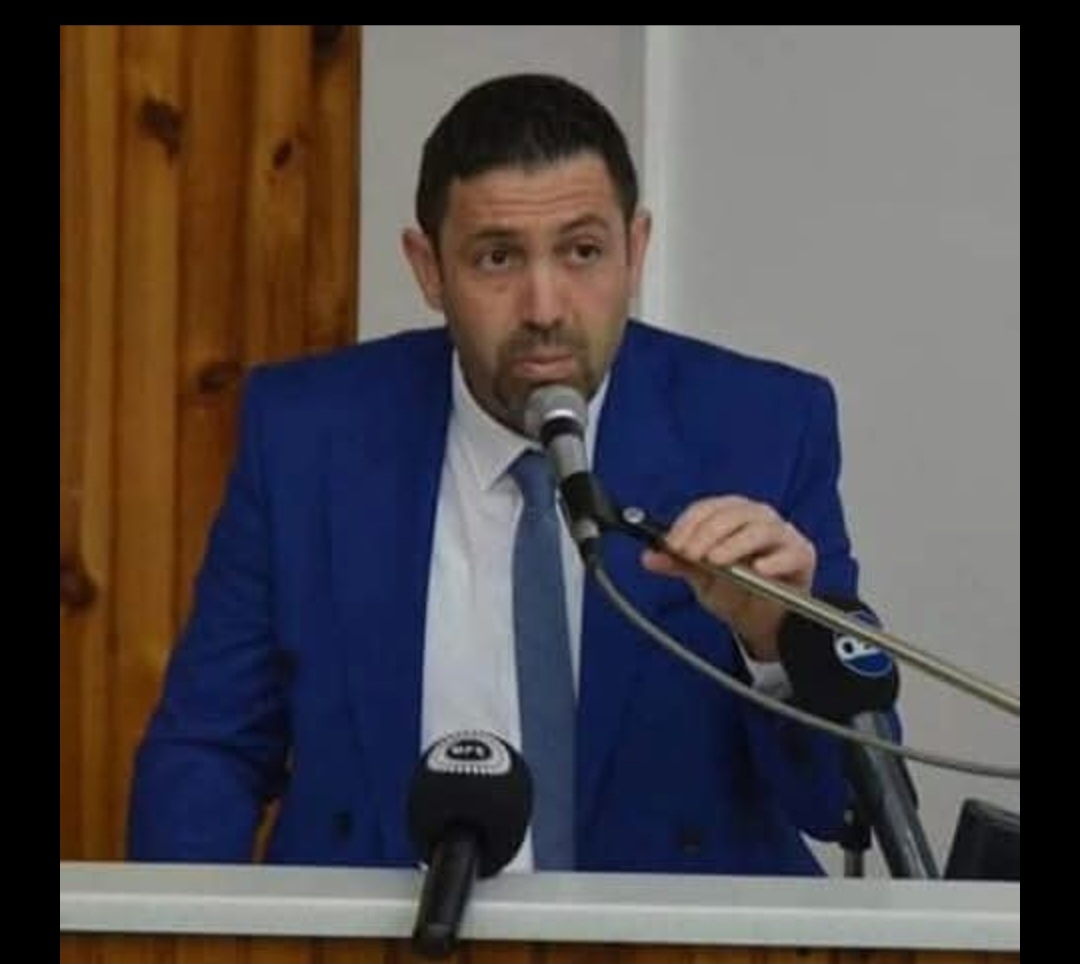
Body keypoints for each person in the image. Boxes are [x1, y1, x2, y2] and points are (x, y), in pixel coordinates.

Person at [128, 71, 872, 876]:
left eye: (583, 252)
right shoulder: (309, 434)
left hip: (668, 932)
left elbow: (846, 801)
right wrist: (189, 930)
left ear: (636, 251)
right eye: (497, 258)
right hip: (381, 930)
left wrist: (776, 643)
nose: (544, 306)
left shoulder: (761, 428)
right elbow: (210, 750)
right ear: (428, 268)